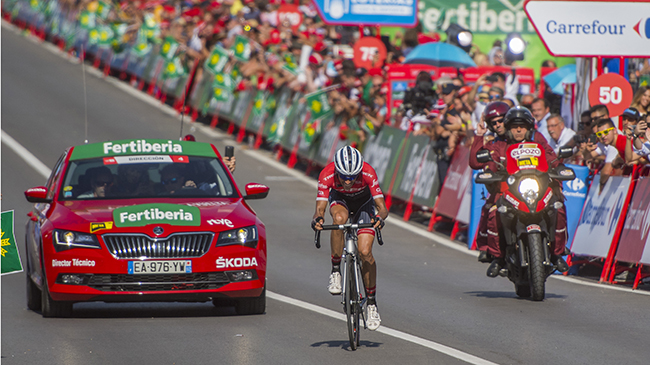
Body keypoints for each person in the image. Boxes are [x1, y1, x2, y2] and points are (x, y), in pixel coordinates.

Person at [477, 107, 569, 277]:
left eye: (522, 126)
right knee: (494, 211)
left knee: (558, 206)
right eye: (514, 126)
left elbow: (550, 156)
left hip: (537, 187)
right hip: (510, 189)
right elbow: (491, 162)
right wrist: (490, 171)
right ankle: (498, 257)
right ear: (508, 128)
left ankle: (557, 253)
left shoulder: (538, 140)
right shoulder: (499, 144)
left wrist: (560, 166)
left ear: (529, 128)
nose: (518, 130)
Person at [311, 146, 388, 331]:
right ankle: (336, 270)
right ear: (336, 170)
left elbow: (382, 208)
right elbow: (319, 209)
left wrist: (379, 218)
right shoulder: (326, 174)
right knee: (338, 220)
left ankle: (371, 303)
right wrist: (318, 219)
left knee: (365, 252)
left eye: (352, 177)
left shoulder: (368, 172)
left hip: (364, 204)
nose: (347, 181)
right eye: (344, 176)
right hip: (340, 202)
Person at [469, 101, 510, 263]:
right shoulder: (493, 145)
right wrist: (479, 135)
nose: (498, 125)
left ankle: (556, 251)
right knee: (491, 210)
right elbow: (475, 162)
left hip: (529, 189)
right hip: (503, 190)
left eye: (501, 121)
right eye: (494, 123)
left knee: (554, 205)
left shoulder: (528, 138)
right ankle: (495, 255)